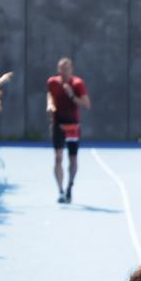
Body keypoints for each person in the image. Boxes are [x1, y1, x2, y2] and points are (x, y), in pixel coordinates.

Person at [46, 57, 90, 204]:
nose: (63, 71)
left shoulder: (77, 83)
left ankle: (70, 186)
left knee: (72, 158)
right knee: (58, 157)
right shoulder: (52, 82)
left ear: (71, 69)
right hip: (58, 123)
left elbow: (86, 104)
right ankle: (60, 191)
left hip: (72, 125)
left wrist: (71, 94)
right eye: (60, 69)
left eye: (66, 69)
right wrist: (50, 104)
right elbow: (50, 95)